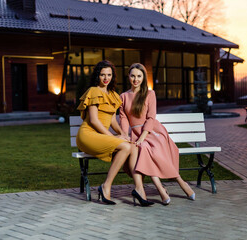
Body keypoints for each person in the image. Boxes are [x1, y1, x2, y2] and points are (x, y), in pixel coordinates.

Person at [76, 60, 153, 206]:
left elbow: (112, 121)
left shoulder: (113, 95)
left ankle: (138, 188)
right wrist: (113, 137)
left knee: (131, 145)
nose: (106, 78)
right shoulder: (94, 91)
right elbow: (94, 121)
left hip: (100, 135)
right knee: (125, 146)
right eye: (102, 75)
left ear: (113, 76)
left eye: (109, 75)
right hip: (87, 135)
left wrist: (123, 133)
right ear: (97, 76)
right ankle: (106, 186)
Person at [119, 63, 195, 205]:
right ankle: (162, 187)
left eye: (139, 76)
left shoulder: (150, 94)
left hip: (152, 131)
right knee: (144, 150)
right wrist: (125, 135)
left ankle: (177, 182)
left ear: (144, 77)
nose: (136, 79)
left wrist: (142, 137)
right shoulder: (123, 97)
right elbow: (123, 119)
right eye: (133, 76)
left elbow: (151, 118)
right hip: (135, 134)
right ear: (128, 76)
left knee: (147, 149)